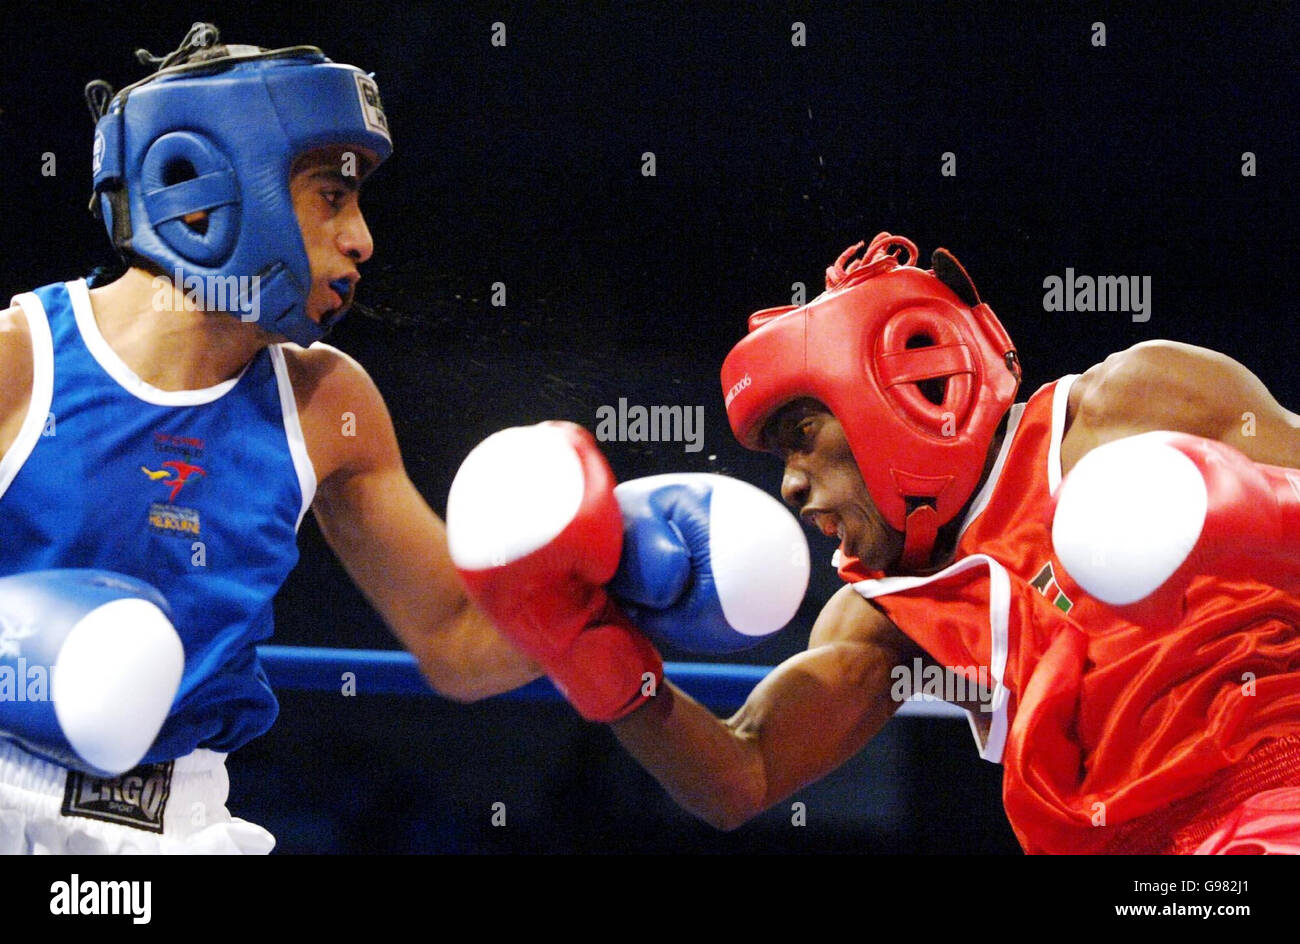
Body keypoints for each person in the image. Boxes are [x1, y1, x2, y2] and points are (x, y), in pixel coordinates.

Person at [449, 231, 1300, 854]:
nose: (787, 483)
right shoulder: (886, 616)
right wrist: (590, 651)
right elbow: (741, 777)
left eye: (801, 434)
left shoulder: (1134, 408)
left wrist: (1241, 508)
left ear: (902, 391)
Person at [0, 23, 543, 853]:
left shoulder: (328, 403)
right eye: (332, 195)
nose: (362, 239)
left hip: (184, 824)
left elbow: (461, 642)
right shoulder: (21, 360)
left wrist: (614, 588)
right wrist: (19, 650)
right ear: (206, 186)